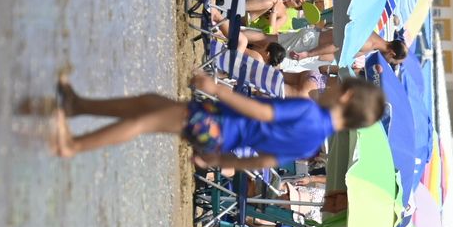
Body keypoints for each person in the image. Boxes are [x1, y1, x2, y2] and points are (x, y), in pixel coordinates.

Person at [50, 73, 383, 168]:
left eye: (337, 83)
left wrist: (217, 89)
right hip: (221, 138)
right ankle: (79, 105)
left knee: (144, 121)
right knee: (148, 103)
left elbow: (263, 112)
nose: (330, 83)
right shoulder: (313, 145)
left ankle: (73, 145)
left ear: (347, 97)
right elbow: (265, 159)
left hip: (219, 122)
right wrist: (219, 160)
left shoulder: (310, 112)